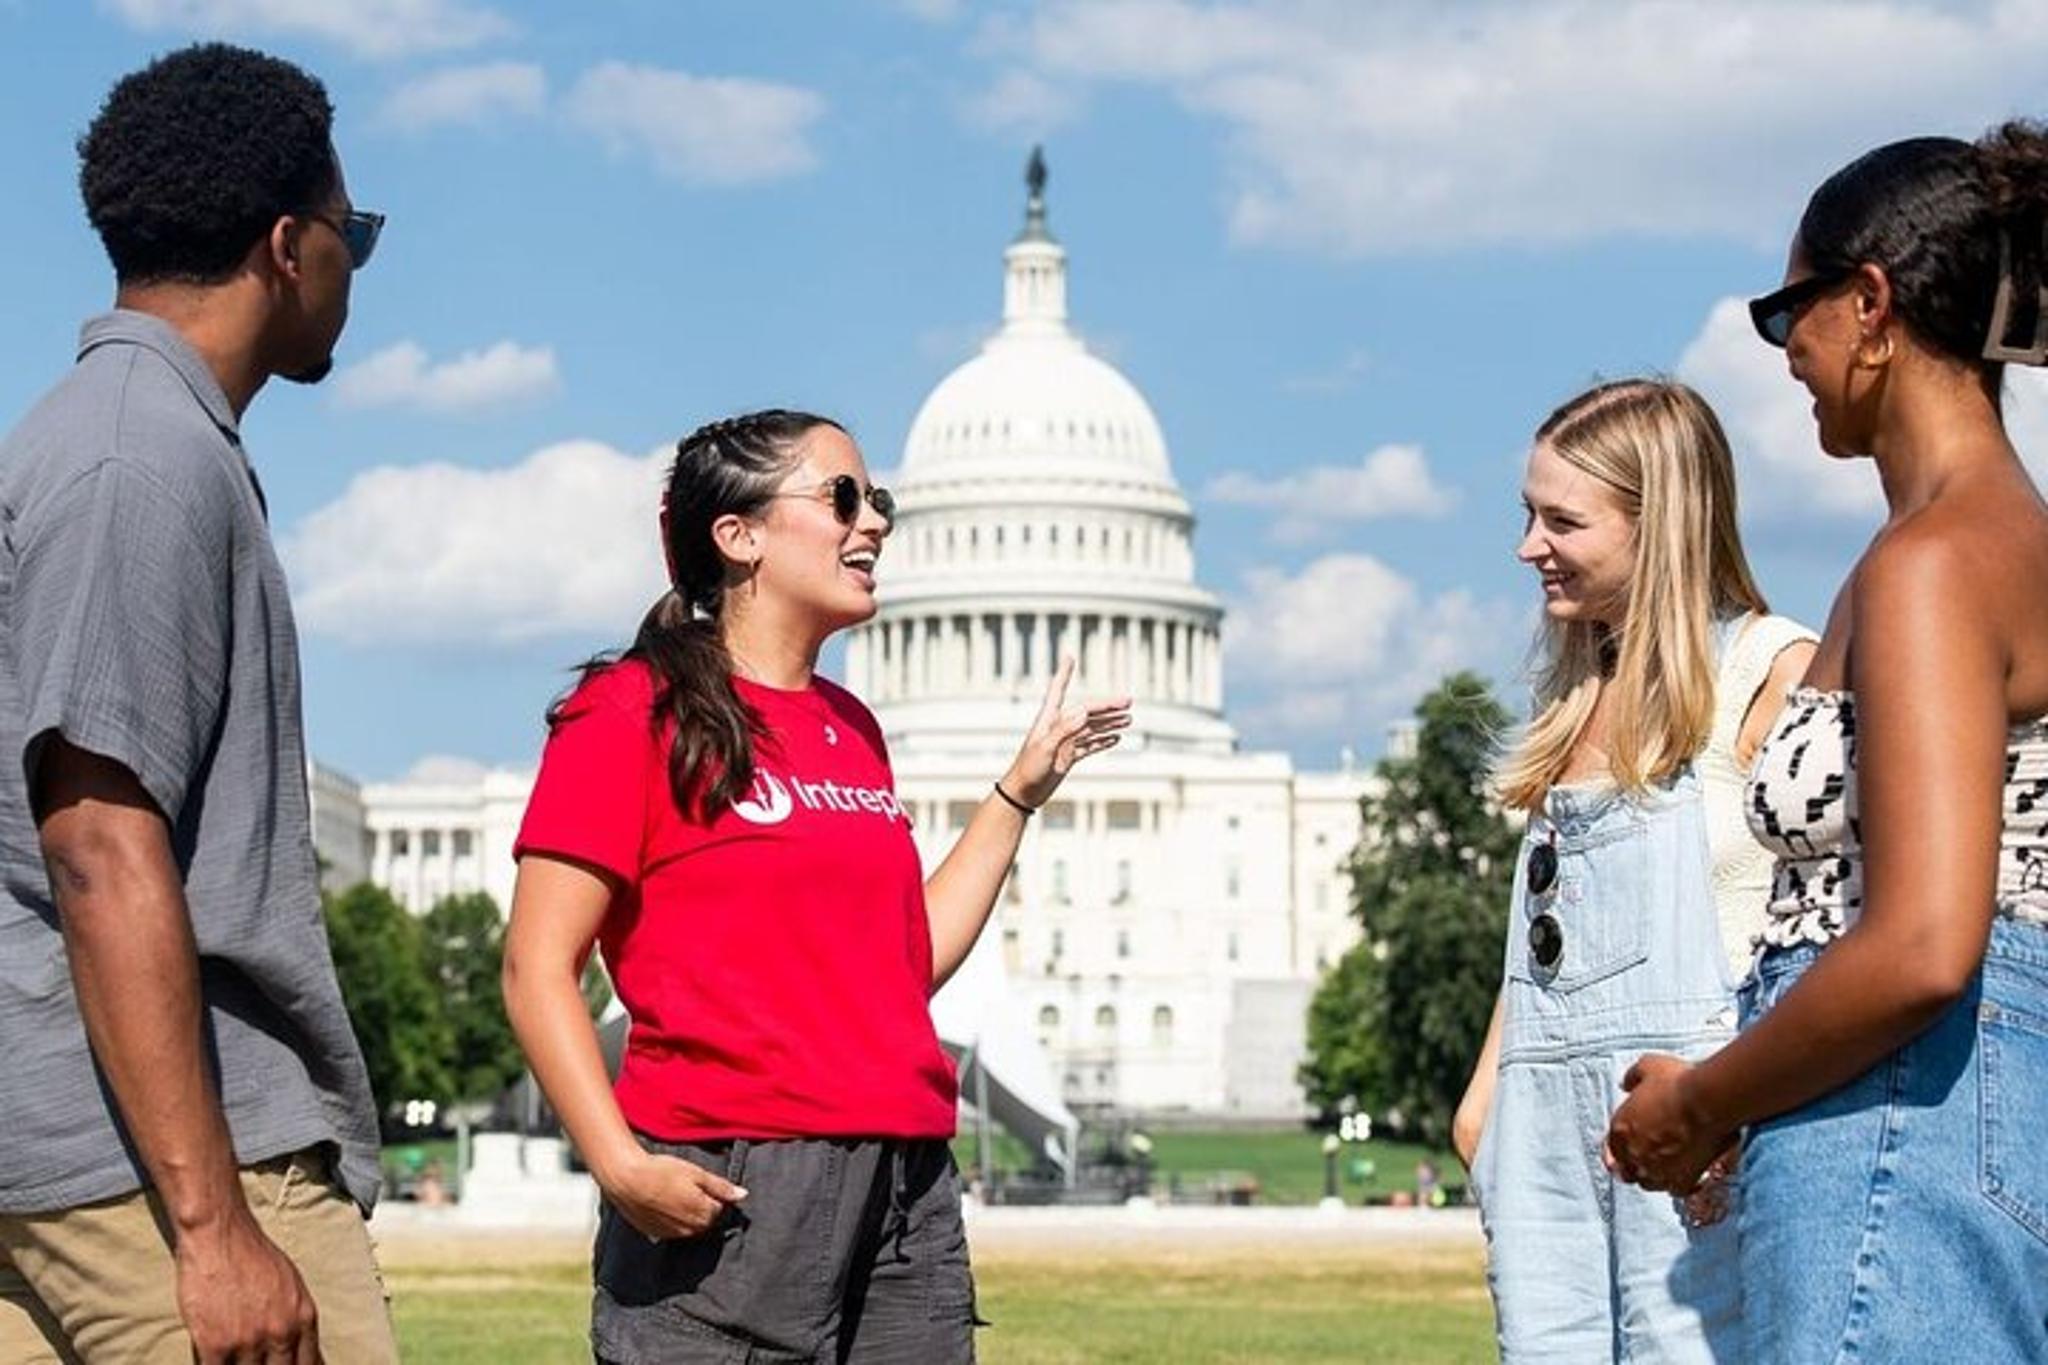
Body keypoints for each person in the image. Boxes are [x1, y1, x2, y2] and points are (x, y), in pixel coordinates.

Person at [502, 409, 1130, 1364]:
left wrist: (1017, 790)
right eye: (843, 497)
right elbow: (537, 965)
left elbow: (904, 962)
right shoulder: (628, 709)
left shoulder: (851, 726)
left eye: (877, 500)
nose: (872, 522)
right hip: (738, 1183)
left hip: (906, 1183)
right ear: (738, 534)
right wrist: (618, 1161)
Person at [1608, 124, 2048, 1362]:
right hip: (1958, 1108)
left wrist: (1702, 1101)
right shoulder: (2001, 541)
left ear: (1867, 304)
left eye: (1784, 310)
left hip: (1898, 1125)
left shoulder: (1932, 564)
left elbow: (1916, 945)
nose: (1785, 351)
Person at [0, 43, 395, 1365]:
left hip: (83, 1152)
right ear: (291, 246)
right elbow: (98, 841)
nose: (356, 265)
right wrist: (215, 1221)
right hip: (171, 1164)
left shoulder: (117, 437)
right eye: (357, 232)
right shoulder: (137, 458)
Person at [1455, 378, 1815, 1362]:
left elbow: (1829, 919)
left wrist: (1735, 1105)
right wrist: (1483, 1107)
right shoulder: (1574, 692)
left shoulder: (1767, 671)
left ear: (1658, 525)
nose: (1527, 546)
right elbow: (1545, 939)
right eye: (1526, 514)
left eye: (1560, 520)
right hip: (1540, 1151)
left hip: (1688, 1129)